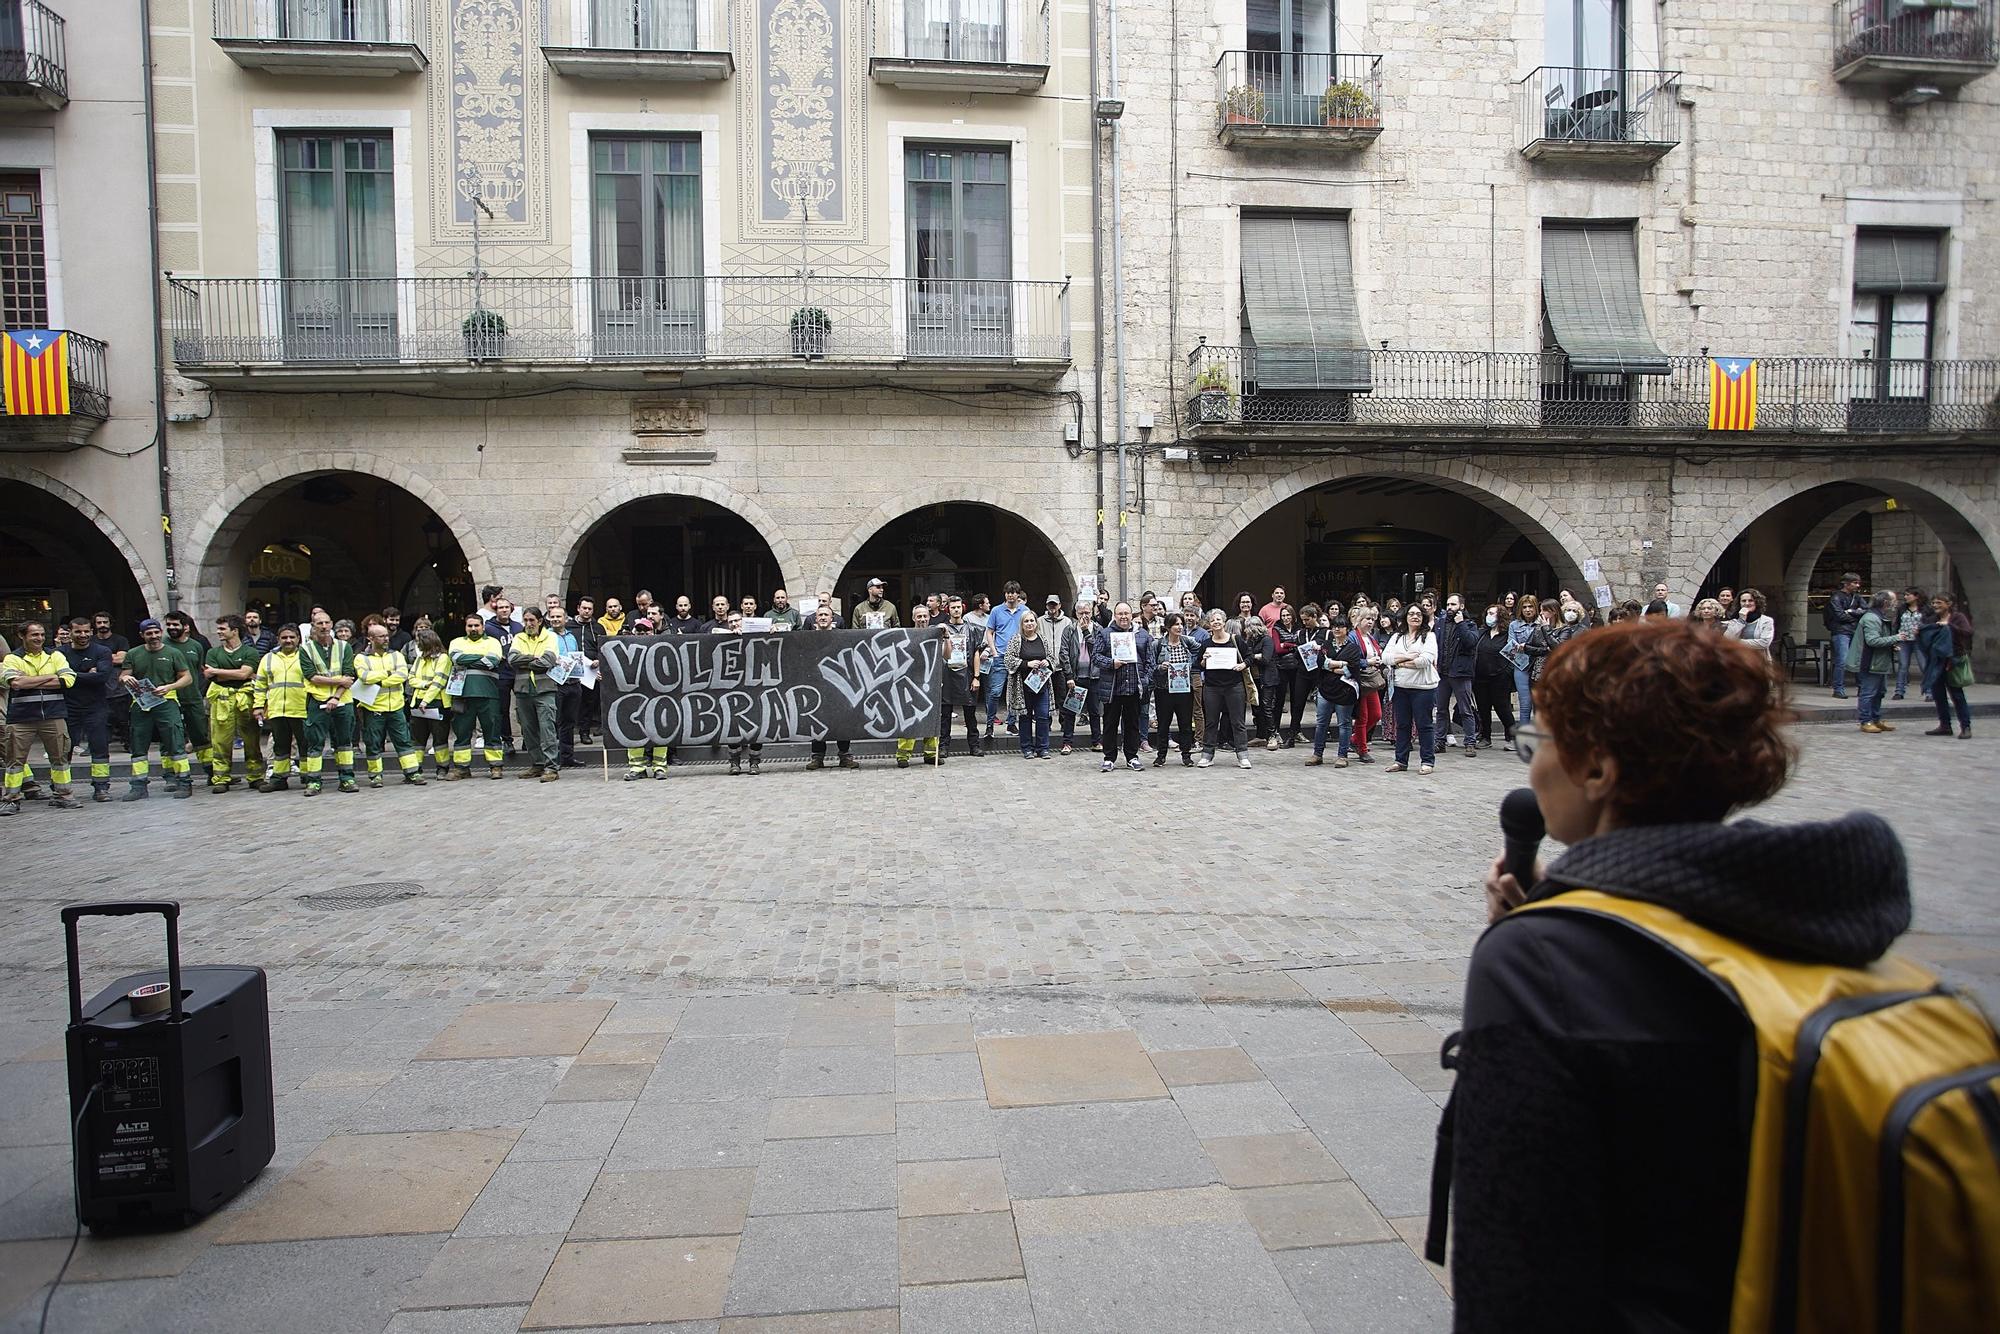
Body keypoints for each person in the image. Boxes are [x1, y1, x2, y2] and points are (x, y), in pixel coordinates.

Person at [1446, 617, 1884, 1333]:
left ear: (1598, 770)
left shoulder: (1540, 962)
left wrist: (1534, 939)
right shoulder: (1811, 908)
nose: (1533, 765)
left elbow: (1514, 1272)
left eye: (1544, 740)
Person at [1, 621, 80, 815]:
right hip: (21, 718)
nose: (39, 638)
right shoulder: (12, 658)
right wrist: (50, 677)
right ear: (22, 636)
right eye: (34, 635)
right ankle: (11, 800)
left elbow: (68, 680)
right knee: (14, 761)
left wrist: (29, 680)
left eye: (42, 635)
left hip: (53, 714)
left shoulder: (55, 655)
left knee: (60, 758)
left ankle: (64, 795)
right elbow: (15, 683)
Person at [119, 618, 195, 800]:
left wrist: (169, 687)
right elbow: (123, 675)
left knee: (175, 743)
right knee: (138, 746)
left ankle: (184, 783)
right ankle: (138, 786)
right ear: (142, 635)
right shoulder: (133, 653)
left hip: (166, 703)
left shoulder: (173, 653)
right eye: (149, 633)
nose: (153, 636)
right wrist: (125, 679)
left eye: (156, 632)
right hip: (141, 704)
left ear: (161, 632)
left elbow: (187, 678)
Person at [354, 620, 427, 788]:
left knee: (404, 740)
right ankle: (375, 776)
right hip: (373, 707)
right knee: (373, 743)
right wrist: (388, 673)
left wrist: (379, 681)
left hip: (395, 706)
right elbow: (364, 677)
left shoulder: (396, 655)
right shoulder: (361, 658)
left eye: (386, 636)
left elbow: (402, 675)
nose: (386, 639)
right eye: (381, 637)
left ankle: (412, 773)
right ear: (370, 638)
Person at [203, 614, 265, 791]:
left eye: (222, 629)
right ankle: (221, 778)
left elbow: (244, 674)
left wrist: (219, 671)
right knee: (220, 739)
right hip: (222, 700)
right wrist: (234, 673)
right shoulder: (213, 652)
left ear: (234, 631)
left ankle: (255, 776)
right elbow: (210, 675)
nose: (218, 632)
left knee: (251, 738)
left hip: (245, 699)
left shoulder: (250, 652)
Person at [1091, 601, 1154, 772]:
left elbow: (1150, 661)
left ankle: (1132, 756)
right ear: (1115, 616)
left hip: (1134, 687)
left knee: (1132, 723)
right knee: (1110, 723)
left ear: (1131, 615)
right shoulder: (1105, 634)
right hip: (1112, 688)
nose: (1123, 617)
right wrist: (1112, 663)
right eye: (1120, 614)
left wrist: (1146, 680)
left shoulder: (1142, 635)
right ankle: (1109, 757)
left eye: (1126, 613)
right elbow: (1095, 656)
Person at [446, 612, 507, 780]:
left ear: (483, 627)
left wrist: (466, 660)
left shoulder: (493, 642)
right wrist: (480, 657)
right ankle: (461, 768)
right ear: (465, 627)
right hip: (462, 693)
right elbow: (456, 658)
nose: (473, 629)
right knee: (462, 731)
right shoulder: (456, 642)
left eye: (476, 626)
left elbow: (492, 661)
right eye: (470, 626)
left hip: (488, 693)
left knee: (492, 729)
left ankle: (496, 766)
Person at [251, 624, 308, 792]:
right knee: (280, 747)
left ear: (298, 639)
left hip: (301, 708)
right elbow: (260, 685)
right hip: (277, 709)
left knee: (305, 744)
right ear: (278, 639)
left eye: (292, 637)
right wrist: (258, 706)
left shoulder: (306, 656)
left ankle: (309, 776)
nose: (288, 640)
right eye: (284, 637)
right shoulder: (268, 658)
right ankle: (279, 779)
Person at [507, 606, 561, 781]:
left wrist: (527, 659)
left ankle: (551, 767)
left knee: (547, 729)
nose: (529, 624)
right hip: (523, 690)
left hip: (545, 689)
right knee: (528, 730)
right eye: (526, 620)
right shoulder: (518, 637)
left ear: (539, 621)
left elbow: (548, 661)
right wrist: (534, 658)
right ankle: (537, 764)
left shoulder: (550, 636)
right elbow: (512, 659)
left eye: (532, 620)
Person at [1384, 604, 1439, 774]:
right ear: (1405, 617)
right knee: (1402, 725)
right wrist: (1408, 658)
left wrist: (1399, 663)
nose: (1415, 617)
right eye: (1411, 614)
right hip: (1400, 687)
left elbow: (1425, 661)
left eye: (1418, 614)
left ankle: (1427, 761)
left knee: (1424, 724)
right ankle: (1400, 760)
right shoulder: (1396, 637)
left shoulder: (1429, 637)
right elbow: (1385, 657)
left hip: (1423, 688)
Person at [1194, 609, 1251, 769]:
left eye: (1218, 619)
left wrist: (1242, 665)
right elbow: (1198, 664)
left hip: (1234, 686)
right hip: (1212, 687)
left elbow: (1249, 656)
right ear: (1209, 624)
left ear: (1224, 622)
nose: (1216, 622)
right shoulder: (1206, 644)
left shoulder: (1235, 640)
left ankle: (1242, 755)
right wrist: (1204, 661)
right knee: (1211, 722)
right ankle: (1207, 755)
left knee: (1238, 722)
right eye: (1213, 621)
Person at [806, 605, 857, 770]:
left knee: (843, 720)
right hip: (816, 684)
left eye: (826, 615)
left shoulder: (841, 637)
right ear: (815, 618)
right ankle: (817, 757)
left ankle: (845, 756)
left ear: (832, 618)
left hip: (839, 685)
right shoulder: (806, 638)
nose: (822, 617)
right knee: (817, 720)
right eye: (820, 615)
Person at [1307, 615, 1362, 766]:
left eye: (1341, 626)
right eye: (1334, 626)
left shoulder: (1353, 647)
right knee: (1321, 723)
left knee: (1344, 724)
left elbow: (1352, 667)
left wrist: (1332, 664)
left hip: (1345, 691)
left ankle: (1342, 756)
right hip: (1326, 689)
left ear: (1347, 629)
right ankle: (1317, 754)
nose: (1337, 629)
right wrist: (1339, 664)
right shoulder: (1325, 645)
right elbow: (1320, 662)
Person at [618, 619, 670, 780]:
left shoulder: (664, 647)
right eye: (638, 631)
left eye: (646, 631)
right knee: (634, 731)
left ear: (653, 632)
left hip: (658, 694)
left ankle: (660, 767)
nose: (642, 634)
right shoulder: (625, 648)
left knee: (660, 729)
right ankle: (637, 767)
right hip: (634, 696)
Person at [1845, 588, 1901, 734]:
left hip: (1878, 661)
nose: (1895, 603)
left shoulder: (1878, 617)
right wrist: (1897, 638)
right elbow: (1873, 641)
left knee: (1879, 692)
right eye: (1893, 600)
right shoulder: (1871, 618)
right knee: (1868, 692)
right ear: (1886, 602)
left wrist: (1891, 644)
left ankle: (1875, 719)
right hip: (1869, 662)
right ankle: (1866, 721)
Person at [1004, 611, 1057, 760]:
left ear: (1036, 623)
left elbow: (1052, 657)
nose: (1029, 624)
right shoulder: (1016, 639)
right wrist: (1027, 664)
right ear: (1022, 624)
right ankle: (1027, 748)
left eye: (1032, 621)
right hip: (1022, 687)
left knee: (1042, 717)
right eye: (1026, 621)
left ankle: (1043, 748)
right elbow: (1008, 659)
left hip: (1042, 685)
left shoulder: (1043, 639)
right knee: (1025, 717)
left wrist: (1047, 661)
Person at [1919, 592, 1973, 739]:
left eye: (1939, 603)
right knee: (1938, 694)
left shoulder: (1958, 618)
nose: (1935, 606)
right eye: (1934, 603)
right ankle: (1945, 725)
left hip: (1953, 660)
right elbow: (1926, 632)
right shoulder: (1933, 619)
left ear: (1948, 604)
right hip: (1936, 661)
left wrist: (1949, 626)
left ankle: (1965, 726)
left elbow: (1968, 632)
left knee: (1957, 694)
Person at [894, 604, 941, 769]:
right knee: (908, 720)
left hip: (931, 683)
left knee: (931, 719)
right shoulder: (906, 636)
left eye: (925, 616)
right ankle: (903, 755)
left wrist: (946, 636)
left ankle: (930, 754)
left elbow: (947, 656)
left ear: (929, 617)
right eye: (919, 616)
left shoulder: (936, 635)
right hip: (909, 684)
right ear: (913, 618)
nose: (922, 619)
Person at [937, 595, 985, 759]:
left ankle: (974, 745)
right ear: (947, 609)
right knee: (945, 715)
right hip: (947, 676)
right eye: (952, 607)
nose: (956, 610)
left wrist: (976, 677)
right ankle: (943, 746)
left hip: (967, 675)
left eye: (958, 607)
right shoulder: (943, 629)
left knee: (970, 714)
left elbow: (976, 653)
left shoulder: (972, 629)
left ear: (962, 608)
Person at [1150, 613, 1197, 767]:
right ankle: (1161, 755)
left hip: (1184, 689)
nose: (1180, 627)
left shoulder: (1187, 642)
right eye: (1176, 624)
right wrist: (1160, 667)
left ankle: (1186, 755)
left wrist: (1197, 663)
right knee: (1163, 723)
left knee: (1185, 723)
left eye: (1181, 624)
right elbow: (1150, 666)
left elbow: (1200, 651)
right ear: (1168, 627)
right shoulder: (1158, 644)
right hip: (1164, 689)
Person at [984, 581, 1027, 740]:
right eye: (1008, 592)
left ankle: (1011, 723)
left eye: (1013, 592)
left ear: (1018, 594)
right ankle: (989, 725)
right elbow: (989, 632)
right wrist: (993, 651)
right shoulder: (996, 610)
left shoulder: (1024, 611)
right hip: (1000, 655)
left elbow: (1029, 631)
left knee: (1016, 692)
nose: (1010, 595)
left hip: (1018, 657)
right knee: (995, 692)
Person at [407, 629, 452, 777]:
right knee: (418, 740)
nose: (417, 644)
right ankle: (416, 769)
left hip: (437, 703)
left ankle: (442, 768)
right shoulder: (420, 659)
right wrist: (425, 685)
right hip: (417, 702)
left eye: (419, 641)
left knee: (440, 739)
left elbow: (439, 682)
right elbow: (411, 678)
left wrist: (426, 700)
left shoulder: (443, 658)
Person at [1471, 604, 1517, 752]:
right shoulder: (1482, 633)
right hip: (1480, 676)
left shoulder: (1507, 634)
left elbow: (1513, 655)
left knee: (1502, 707)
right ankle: (1485, 736)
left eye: (1492, 613)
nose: (1489, 616)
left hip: (1500, 677)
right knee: (1483, 707)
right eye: (1488, 613)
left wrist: (1506, 672)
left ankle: (1513, 737)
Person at [1438, 600, 1482, 755]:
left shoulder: (1470, 624)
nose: (1449, 607)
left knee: (1465, 709)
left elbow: (1471, 642)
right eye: (1448, 604)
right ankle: (1440, 741)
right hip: (1443, 672)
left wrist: (1461, 624)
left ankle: (1470, 742)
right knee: (1441, 710)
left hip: (1461, 673)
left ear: (1462, 606)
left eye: (1453, 605)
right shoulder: (1441, 624)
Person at [1060, 597, 1101, 754]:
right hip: (1076, 677)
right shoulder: (1069, 630)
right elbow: (1063, 653)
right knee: (1071, 710)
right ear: (1076, 613)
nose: (1084, 615)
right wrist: (1069, 675)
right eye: (1081, 612)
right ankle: (1067, 742)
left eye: (1087, 612)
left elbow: (1097, 650)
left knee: (1094, 711)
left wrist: (1086, 631)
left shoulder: (1097, 629)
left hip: (1094, 676)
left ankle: (1096, 741)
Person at [1269, 603, 1310, 749]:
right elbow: (1277, 649)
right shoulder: (1276, 628)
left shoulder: (1300, 629)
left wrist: (1286, 645)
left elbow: (1304, 646)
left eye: (1288, 615)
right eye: (1283, 616)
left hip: (1297, 668)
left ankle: (1296, 730)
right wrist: (1292, 646)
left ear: (1293, 616)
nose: (1285, 618)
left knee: (1297, 701)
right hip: (1281, 668)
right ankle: (1275, 731)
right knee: (1279, 701)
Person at [91, 611, 131, 750]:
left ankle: (129, 744)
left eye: (105, 622)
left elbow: (122, 658)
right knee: (99, 719)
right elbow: (88, 661)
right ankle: (99, 746)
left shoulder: (120, 640)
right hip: (98, 687)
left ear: (110, 623)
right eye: (99, 622)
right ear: (95, 625)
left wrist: (100, 660)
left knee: (123, 719)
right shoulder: (91, 641)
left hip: (118, 686)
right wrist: (111, 657)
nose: (102, 625)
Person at [1349, 608, 1384, 764]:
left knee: (1376, 714)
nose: (1370, 622)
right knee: (1362, 716)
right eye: (1367, 619)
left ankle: (1355, 738)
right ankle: (1362, 750)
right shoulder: (1352, 637)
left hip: (1371, 679)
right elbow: (1352, 659)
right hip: (1359, 679)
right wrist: (1368, 662)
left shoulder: (1370, 637)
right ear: (1359, 620)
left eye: (1372, 619)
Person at [1822, 571, 1865, 699]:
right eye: (1855, 583)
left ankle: (1861, 688)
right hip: (1841, 631)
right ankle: (1838, 688)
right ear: (1846, 584)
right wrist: (1856, 615)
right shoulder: (1836, 597)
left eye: (1858, 583)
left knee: (1858, 660)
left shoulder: (1857, 597)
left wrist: (1850, 612)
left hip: (1853, 631)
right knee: (1842, 660)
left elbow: (1866, 610)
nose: (1857, 586)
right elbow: (1839, 615)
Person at [1506, 595, 1540, 725]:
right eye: (1524, 607)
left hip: (1539, 667)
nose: (1527, 610)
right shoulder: (1514, 625)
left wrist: (1526, 647)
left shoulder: (1542, 623)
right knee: (1525, 705)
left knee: (1539, 705)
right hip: (1522, 666)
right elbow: (1511, 646)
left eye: (1530, 606)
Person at [1893, 587, 1926, 700]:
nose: (1906, 597)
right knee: (1902, 666)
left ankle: (1929, 691)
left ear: (1916, 596)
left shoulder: (1925, 609)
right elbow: (1897, 623)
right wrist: (1895, 639)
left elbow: (1930, 623)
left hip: (1919, 640)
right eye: (1905, 595)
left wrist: (1922, 629)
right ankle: (1899, 691)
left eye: (1908, 595)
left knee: (1924, 665)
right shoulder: (1902, 608)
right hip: (1904, 639)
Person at [1722, 588, 1774, 657]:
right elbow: (1726, 640)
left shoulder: (1766, 621)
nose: (1747, 603)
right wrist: (1741, 621)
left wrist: (1736, 642)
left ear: (1757, 602)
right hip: (1737, 661)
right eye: (1743, 601)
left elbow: (1764, 642)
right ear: (1739, 603)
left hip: (1759, 661)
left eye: (1750, 601)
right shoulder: (1735, 619)